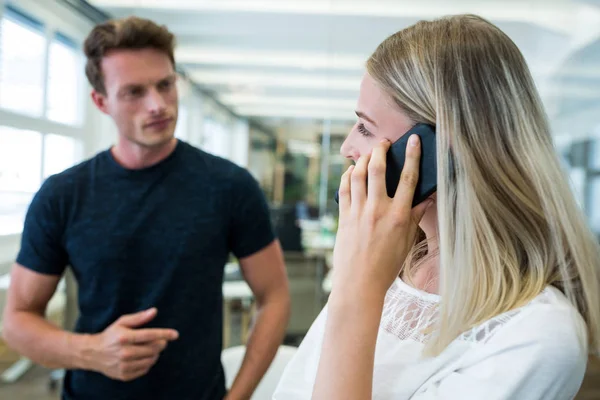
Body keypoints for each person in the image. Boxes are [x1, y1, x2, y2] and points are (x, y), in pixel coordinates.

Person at [274, 14, 600, 399]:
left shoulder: (537, 336)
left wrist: (357, 289)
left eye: (365, 127)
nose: (347, 147)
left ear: (433, 153)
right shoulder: (389, 264)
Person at [1, 16, 291, 400]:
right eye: (134, 92)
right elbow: (17, 321)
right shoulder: (62, 195)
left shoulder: (230, 186)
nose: (157, 105)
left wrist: (236, 397)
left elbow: (274, 296)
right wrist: (92, 352)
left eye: (165, 85)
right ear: (101, 102)